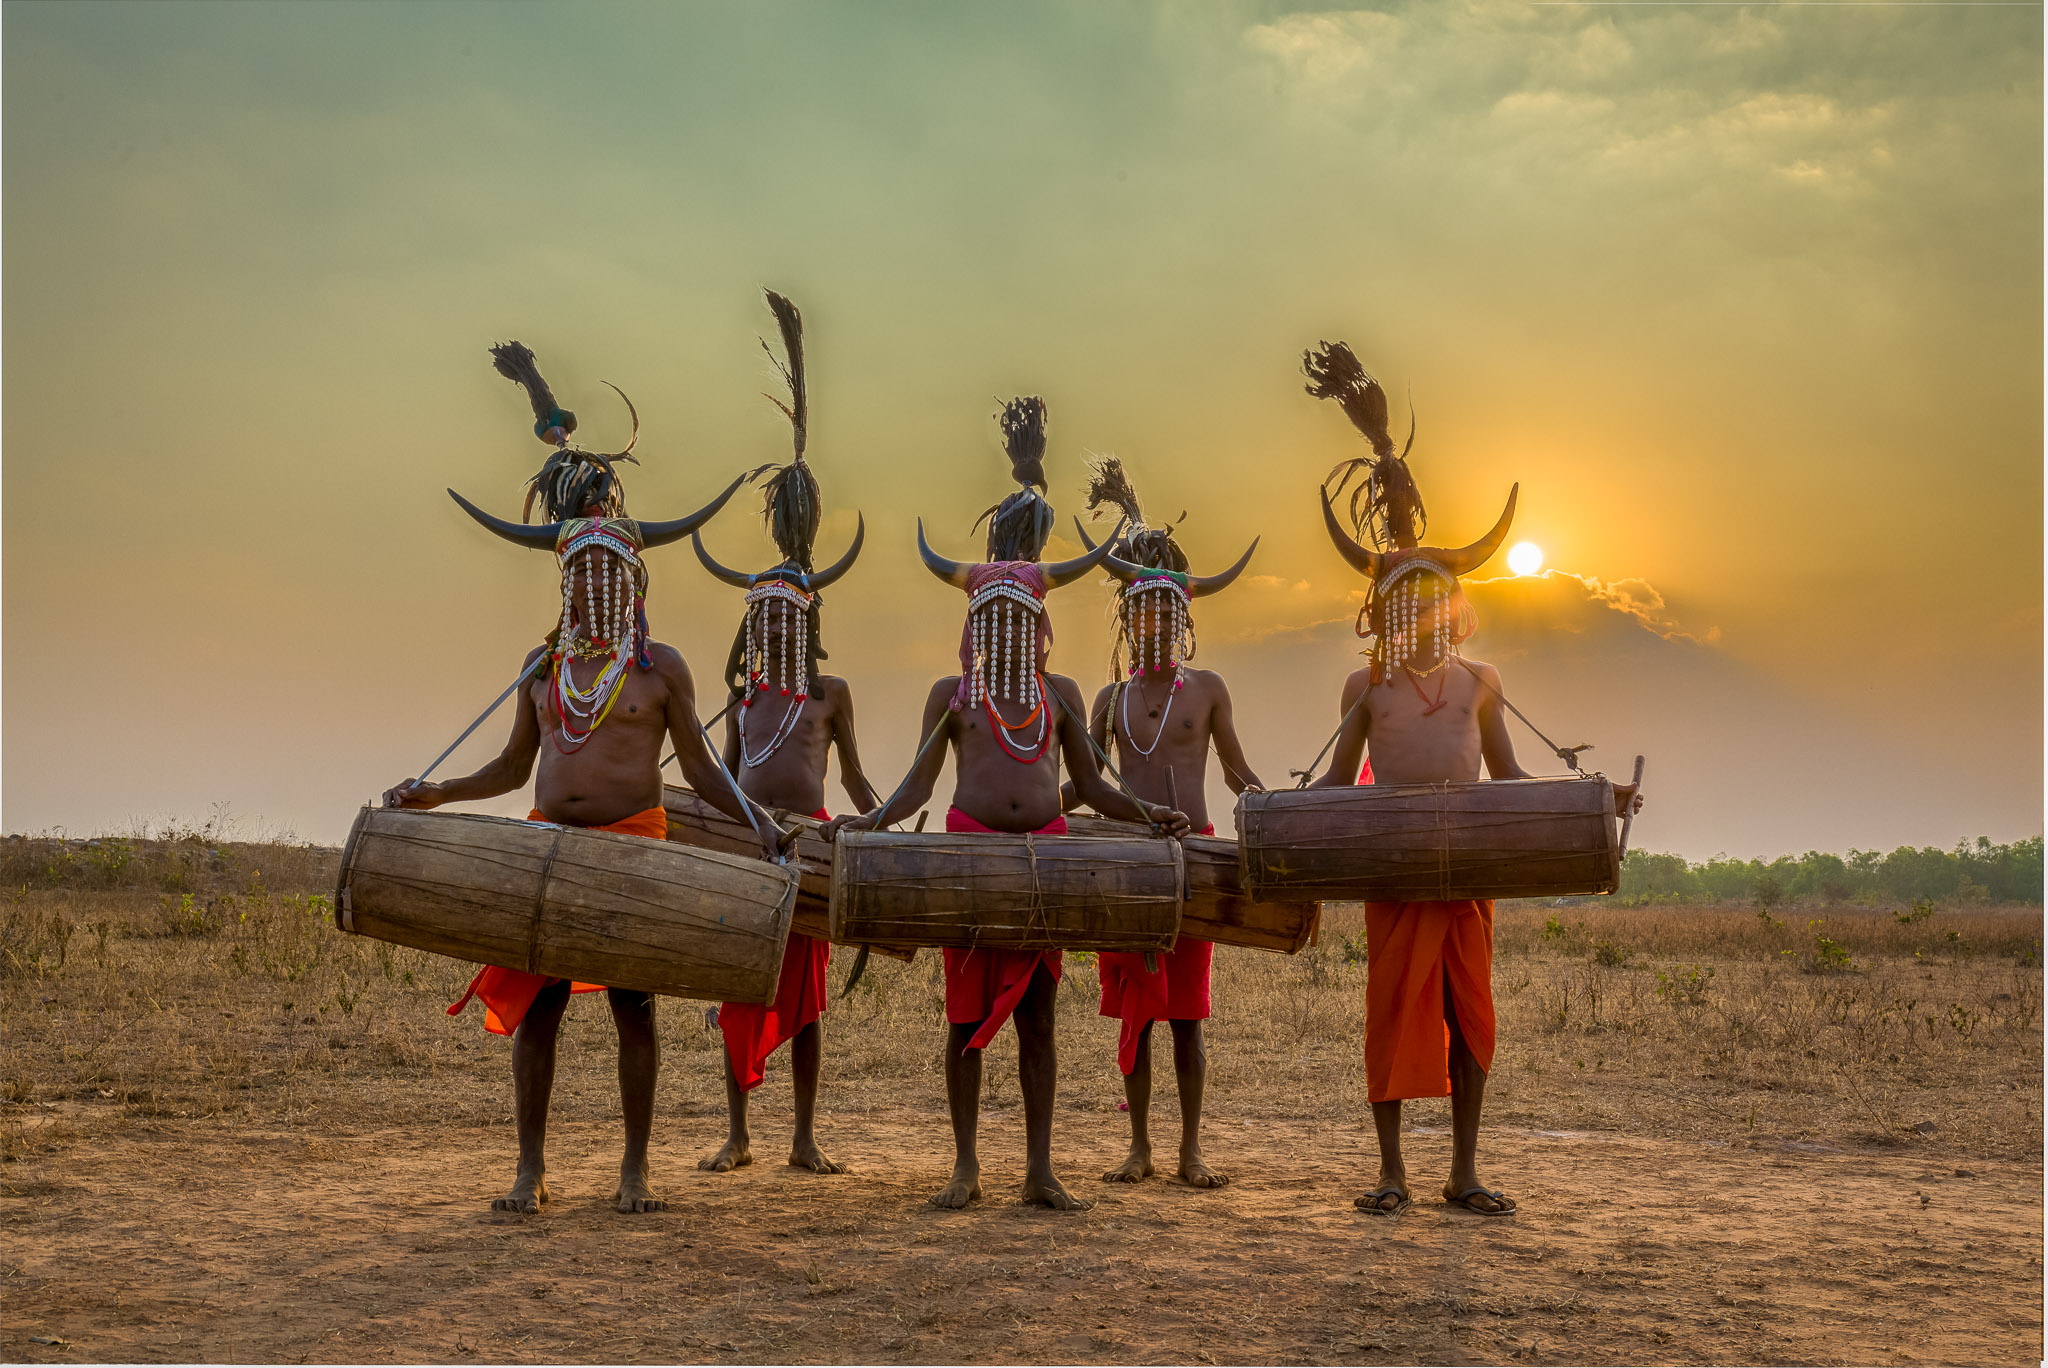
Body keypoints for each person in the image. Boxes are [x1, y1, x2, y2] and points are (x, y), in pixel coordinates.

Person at [382, 340, 784, 1216]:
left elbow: (709, 770)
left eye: (611, 569)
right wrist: (433, 792)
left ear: (634, 582)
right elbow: (513, 766)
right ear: (565, 581)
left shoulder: (660, 670)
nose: (595, 581)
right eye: (581, 570)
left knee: (633, 1007)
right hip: (549, 846)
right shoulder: (540, 666)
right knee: (542, 1008)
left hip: (635, 844)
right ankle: (530, 1170)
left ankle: (635, 1169)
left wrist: (757, 822)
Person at [823, 397, 1189, 1211]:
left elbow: (1094, 785)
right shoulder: (952, 697)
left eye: (1020, 619)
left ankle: (1038, 1169)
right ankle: (964, 1167)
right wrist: (870, 822)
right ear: (977, 629)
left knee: (1040, 1019)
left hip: (1047, 861)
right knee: (962, 1022)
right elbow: (920, 784)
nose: (1007, 633)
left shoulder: (1058, 694)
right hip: (966, 858)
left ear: (1041, 626)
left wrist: (1147, 815)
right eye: (992, 620)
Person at [1302, 340, 1638, 1217]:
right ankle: (1391, 1174)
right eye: (1403, 602)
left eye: (1431, 601)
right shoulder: (1364, 685)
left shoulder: (1482, 682)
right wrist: (1280, 810)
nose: (1418, 616)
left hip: (1467, 881)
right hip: (1393, 870)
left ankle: (1463, 1172)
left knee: (1469, 1018)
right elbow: (1337, 782)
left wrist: (1593, 801)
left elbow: (1512, 775)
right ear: (1384, 613)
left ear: (1451, 606)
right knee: (1388, 1014)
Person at [687, 290, 877, 1176]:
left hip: (810, 852)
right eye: (761, 622)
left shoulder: (830, 693)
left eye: (784, 621)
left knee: (803, 1005)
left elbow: (863, 782)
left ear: (807, 623)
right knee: (737, 993)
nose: (772, 633)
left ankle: (801, 1138)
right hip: (746, 851)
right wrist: (705, 826)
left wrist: (882, 823)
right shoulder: (743, 700)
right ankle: (736, 1135)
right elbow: (720, 773)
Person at [1059, 455, 1261, 1190]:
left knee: (1187, 1019)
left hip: (1195, 864)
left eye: (1164, 614)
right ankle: (1140, 1147)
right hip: (1123, 864)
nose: (1151, 626)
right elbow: (1083, 789)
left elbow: (1236, 771)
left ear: (1182, 619)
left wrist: (1274, 802)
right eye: (1139, 614)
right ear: (1126, 619)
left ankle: (1190, 1153)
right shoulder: (1110, 699)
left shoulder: (1206, 688)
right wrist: (1019, 819)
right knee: (1134, 1020)